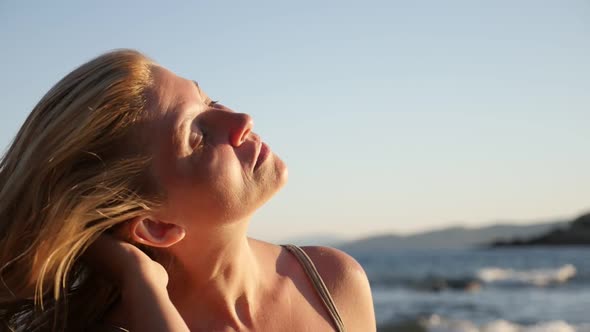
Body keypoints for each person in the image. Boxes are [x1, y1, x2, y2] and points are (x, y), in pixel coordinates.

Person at [0, 49, 376, 331]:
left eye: (208, 100)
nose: (242, 119)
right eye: (198, 137)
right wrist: (143, 285)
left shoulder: (333, 281)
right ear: (156, 226)